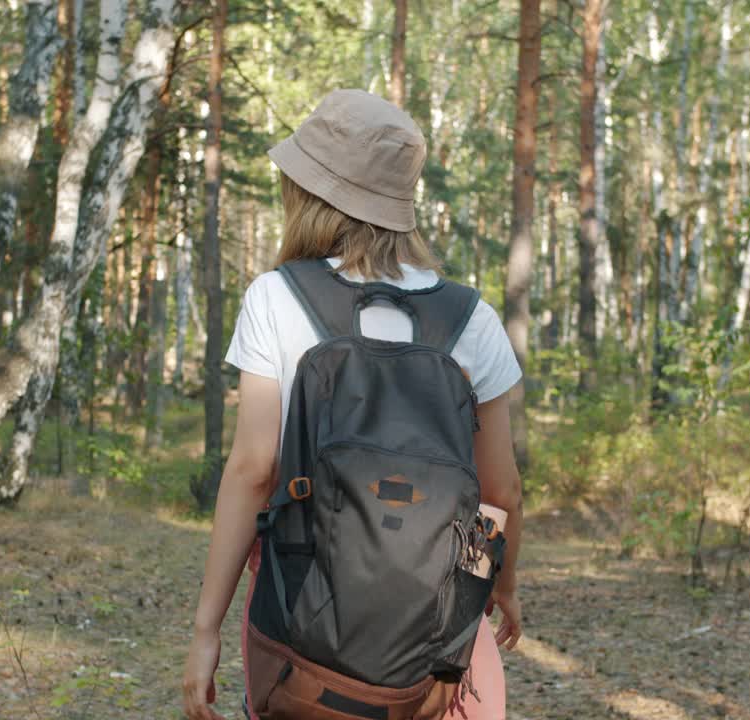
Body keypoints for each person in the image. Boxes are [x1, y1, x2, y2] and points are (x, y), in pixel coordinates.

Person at [183, 88, 523, 720]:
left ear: (309, 193)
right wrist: (496, 587)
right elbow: (498, 492)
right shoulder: (471, 319)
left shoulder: (277, 299)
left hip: (304, 636)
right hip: (440, 646)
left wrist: (206, 630)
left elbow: (254, 472)